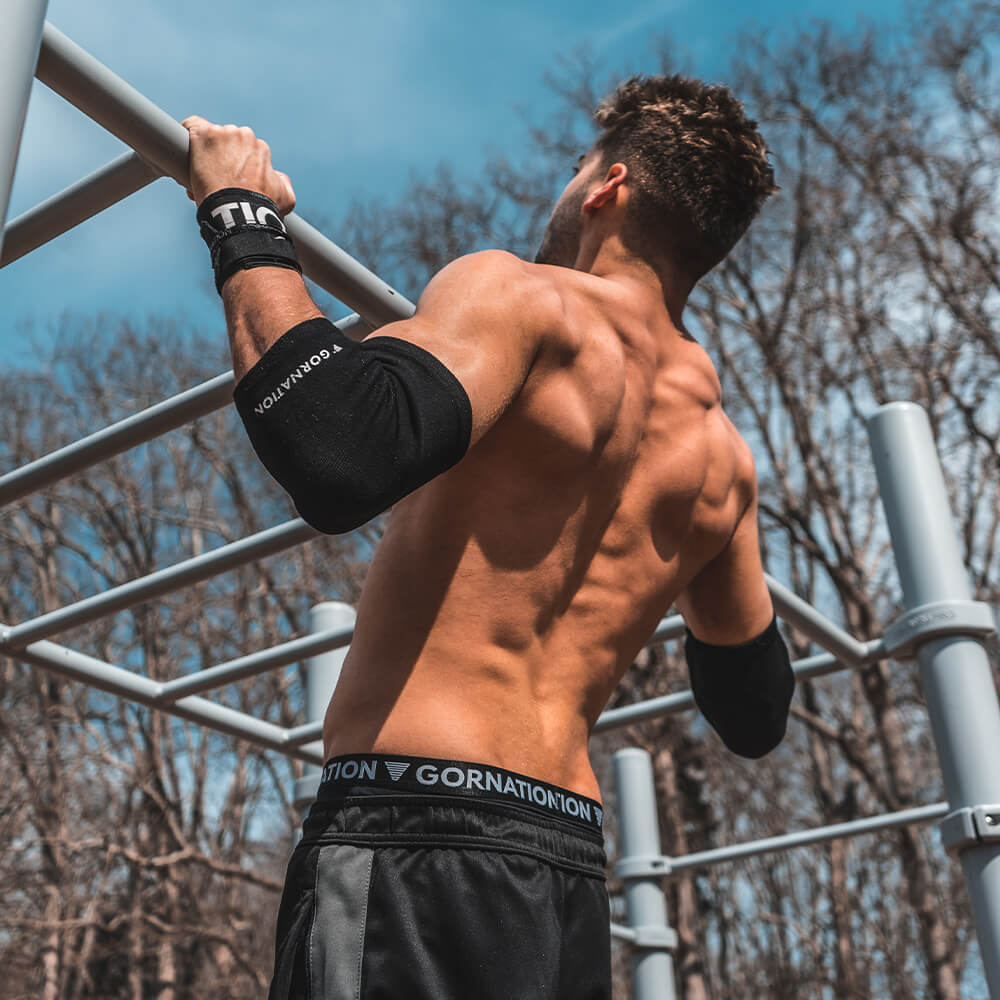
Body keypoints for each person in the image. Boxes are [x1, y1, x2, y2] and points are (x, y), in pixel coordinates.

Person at [183, 72, 795, 1000]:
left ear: (608, 187)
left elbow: (338, 452)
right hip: (564, 868)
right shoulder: (721, 458)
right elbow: (755, 710)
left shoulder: (526, 300)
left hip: (414, 828)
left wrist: (237, 211)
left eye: (574, 165)